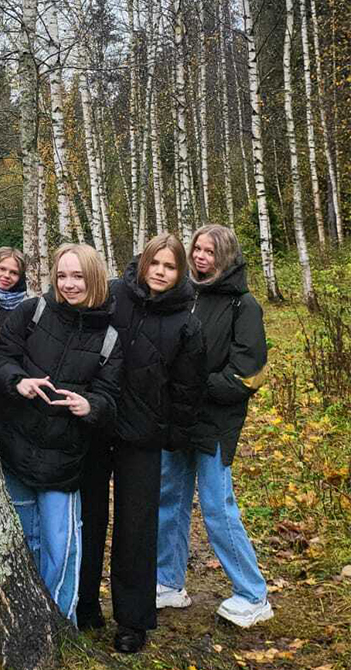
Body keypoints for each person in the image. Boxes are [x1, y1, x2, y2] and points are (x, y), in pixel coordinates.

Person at [77, 234, 206, 653]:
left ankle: (132, 621)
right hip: (97, 423)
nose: (161, 272)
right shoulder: (114, 295)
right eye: (156, 263)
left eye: (170, 267)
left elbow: (187, 389)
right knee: (89, 517)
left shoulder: (186, 322)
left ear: (180, 272)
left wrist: (174, 435)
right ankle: (84, 605)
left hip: (144, 435)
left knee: (136, 527)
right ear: (143, 262)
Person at [0, 243, 122, 625]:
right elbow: (2, 359)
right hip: (16, 450)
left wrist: (90, 406)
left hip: (64, 461)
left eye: (78, 276)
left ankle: (60, 625)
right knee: (23, 544)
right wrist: (18, 381)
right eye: (62, 275)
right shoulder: (31, 312)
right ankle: (26, 623)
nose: (68, 284)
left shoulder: (109, 338)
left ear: (94, 278)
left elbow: (110, 397)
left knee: (61, 548)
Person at [156, 224, 273, 628]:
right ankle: (168, 582)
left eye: (209, 251)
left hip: (216, 422)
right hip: (180, 419)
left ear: (225, 256)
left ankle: (253, 594)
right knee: (169, 499)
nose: (200, 257)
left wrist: (196, 386)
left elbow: (247, 373)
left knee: (217, 507)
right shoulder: (186, 296)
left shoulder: (244, 305)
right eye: (197, 249)